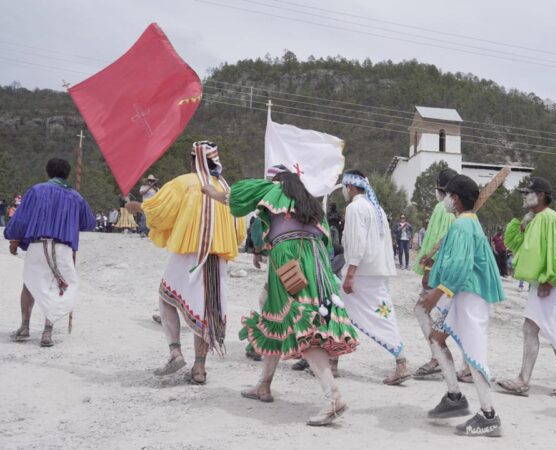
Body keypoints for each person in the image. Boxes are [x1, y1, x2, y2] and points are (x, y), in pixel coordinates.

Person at [207, 164, 358, 426]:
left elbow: (231, 197)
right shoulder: (309, 202)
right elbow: (324, 242)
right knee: (274, 315)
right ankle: (263, 384)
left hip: (288, 258)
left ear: (278, 181)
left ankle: (333, 396)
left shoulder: (272, 189)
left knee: (303, 327)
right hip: (315, 262)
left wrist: (207, 187)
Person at [125, 141, 246, 385]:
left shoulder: (185, 182)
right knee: (205, 309)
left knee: (166, 296)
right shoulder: (225, 187)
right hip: (218, 258)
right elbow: (240, 228)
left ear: (194, 160)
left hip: (189, 254)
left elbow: (159, 211)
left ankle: (175, 352)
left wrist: (136, 207)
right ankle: (199, 369)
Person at [419, 174, 506, 437]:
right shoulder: (467, 223)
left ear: (455, 198)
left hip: (469, 297)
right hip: (461, 296)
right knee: (436, 339)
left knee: (474, 354)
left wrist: (436, 293)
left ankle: (489, 415)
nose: (444, 199)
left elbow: (461, 267)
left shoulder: (462, 227)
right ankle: (455, 397)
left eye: (447, 194)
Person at [498, 177, 556, 397]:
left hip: (550, 283)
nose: (524, 196)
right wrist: (522, 224)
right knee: (534, 328)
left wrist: (550, 279)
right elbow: (517, 243)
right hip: (543, 282)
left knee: (552, 329)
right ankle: (526, 379)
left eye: (529, 192)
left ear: (542, 195)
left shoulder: (550, 218)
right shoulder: (537, 219)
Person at [6, 158, 95, 347]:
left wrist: (14, 239)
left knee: (29, 284)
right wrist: (70, 219)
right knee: (57, 287)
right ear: (68, 174)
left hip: (38, 245)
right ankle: (47, 332)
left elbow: (21, 219)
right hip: (62, 247)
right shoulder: (75, 196)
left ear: (48, 172)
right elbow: (89, 223)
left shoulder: (37, 191)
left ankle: (24, 327)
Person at [340, 170, 411, 385]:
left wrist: (350, 273)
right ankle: (332, 359)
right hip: (377, 270)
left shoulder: (355, 208)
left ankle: (401, 361)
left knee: (345, 310)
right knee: (355, 311)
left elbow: (357, 242)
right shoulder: (376, 208)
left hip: (362, 272)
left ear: (350, 187)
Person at [411, 168, 460, 379]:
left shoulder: (442, 208)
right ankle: (464, 365)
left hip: (438, 273)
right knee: (454, 317)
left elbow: (437, 241)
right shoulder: (457, 210)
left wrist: (428, 269)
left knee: (422, 310)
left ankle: (436, 357)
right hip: (450, 273)